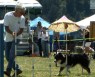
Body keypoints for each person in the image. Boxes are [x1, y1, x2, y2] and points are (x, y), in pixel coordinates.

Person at [4, 3, 26, 77]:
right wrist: (12, 33)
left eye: (23, 13)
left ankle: (8, 70)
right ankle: (17, 69)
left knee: (12, 55)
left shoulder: (22, 18)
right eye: (21, 12)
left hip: (18, 38)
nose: (22, 14)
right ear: (16, 10)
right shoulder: (7, 15)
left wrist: (16, 34)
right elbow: (6, 27)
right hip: (8, 38)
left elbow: (21, 29)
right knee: (7, 56)